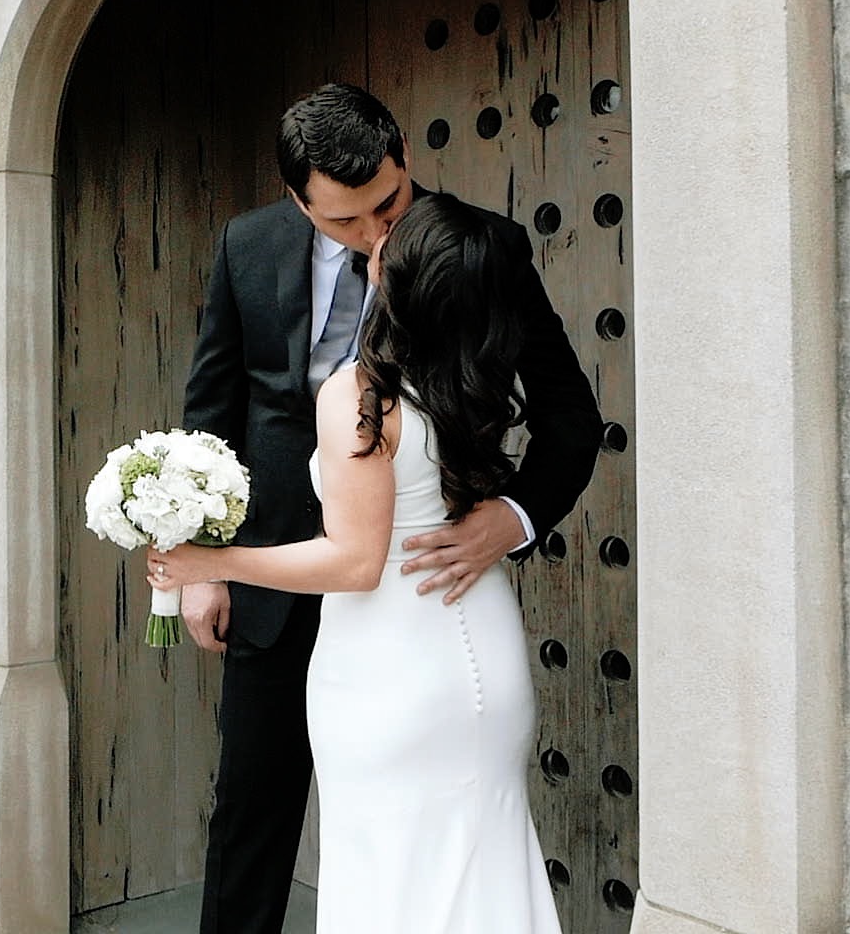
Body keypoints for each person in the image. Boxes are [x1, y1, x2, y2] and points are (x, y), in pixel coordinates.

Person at [172, 84, 599, 932]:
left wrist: (513, 517)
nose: (377, 237)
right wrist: (203, 564)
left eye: (389, 205)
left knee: (417, 834)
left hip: (416, 603)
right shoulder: (246, 245)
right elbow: (210, 414)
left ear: (404, 157)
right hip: (275, 578)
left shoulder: (484, 247)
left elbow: (569, 417)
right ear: (299, 200)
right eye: (344, 223)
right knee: (251, 813)